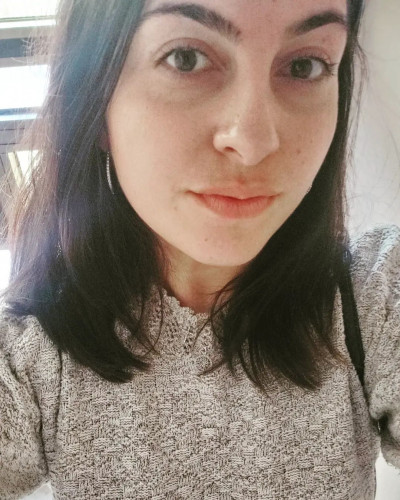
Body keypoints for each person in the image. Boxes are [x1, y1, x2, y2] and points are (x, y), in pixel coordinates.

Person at [0, 0, 399, 498]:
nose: (253, 141)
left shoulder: (376, 297)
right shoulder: (29, 353)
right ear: (97, 99)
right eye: (186, 58)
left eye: (305, 66)